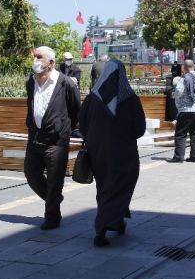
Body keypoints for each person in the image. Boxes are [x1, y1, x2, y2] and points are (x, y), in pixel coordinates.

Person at [78, 59, 146, 247]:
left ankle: (117, 221)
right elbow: (140, 129)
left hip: (98, 152)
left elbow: (82, 125)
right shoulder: (130, 99)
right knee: (122, 185)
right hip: (124, 153)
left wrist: (95, 139)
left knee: (105, 187)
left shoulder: (92, 98)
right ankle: (102, 228)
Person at [25, 46, 81, 230]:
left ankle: (52, 217)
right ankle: (54, 198)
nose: (35, 60)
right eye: (34, 57)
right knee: (31, 174)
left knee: (55, 180)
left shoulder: (66, 83)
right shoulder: (30, 82)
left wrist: (63, 129)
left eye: (39, 57)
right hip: (35, 138)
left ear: (50, 62)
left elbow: (75, 110)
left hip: (56, 141)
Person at [167, 59, 195, 163]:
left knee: (180, 134)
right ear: (194, 67)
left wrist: (174, 96)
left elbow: (178, 92)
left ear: (184, 68)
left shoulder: (183, 79)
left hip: (186, 110)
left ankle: (178, 157)